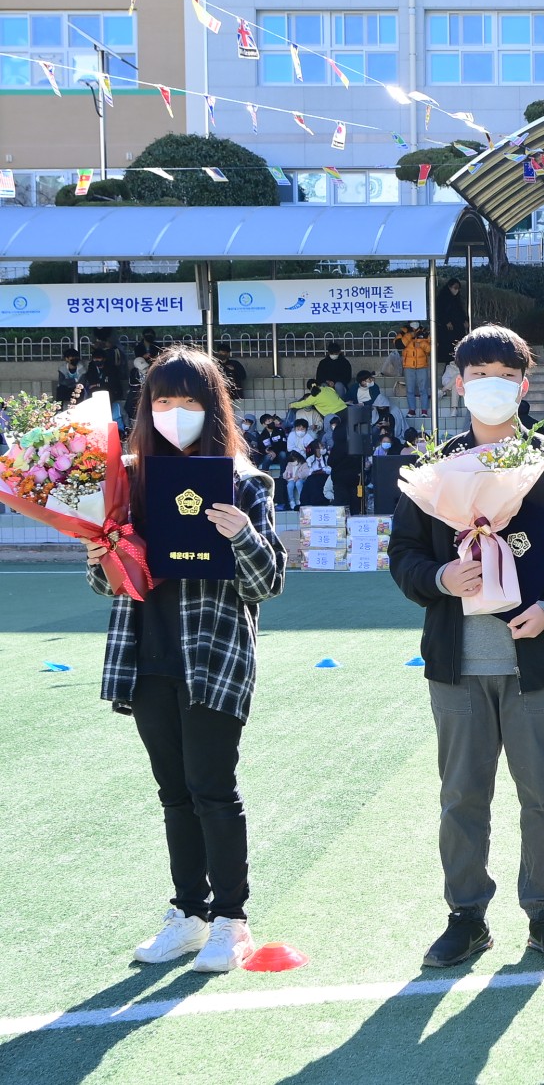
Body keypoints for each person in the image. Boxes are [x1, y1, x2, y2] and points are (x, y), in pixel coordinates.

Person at [388, 325, 544, 969]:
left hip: (538, 662)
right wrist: (440, 577)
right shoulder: (434, 470)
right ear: (459, 385)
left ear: (524, 385)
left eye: (506, 375)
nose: (492, 385)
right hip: (458, 665)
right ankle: (466, 917)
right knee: (462, 796)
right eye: (479, 374)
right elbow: (402, 554)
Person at [80, 346, 285, 972]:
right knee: (173, 793)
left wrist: (240, 533)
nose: (174, 412)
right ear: (146, 407)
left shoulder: (245, 483)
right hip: (145, 657)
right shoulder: (128, 483)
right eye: (162, 400)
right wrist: (100, 555)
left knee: (212, 790)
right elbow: (107, 583)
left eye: (189, 401)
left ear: (212, 409)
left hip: (213, 658)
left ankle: (231, 921)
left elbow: (268, 582)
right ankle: (188, 914)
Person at [289, 380, 348, 447]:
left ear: (310, 389)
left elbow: (304, 403)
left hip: (335, 415)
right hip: (346, 411)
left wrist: (291, 405)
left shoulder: (314, 395)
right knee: (346, 433)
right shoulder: (328, 389)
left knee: (334, 435)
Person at [397, 322, 432, 417]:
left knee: (423, 389)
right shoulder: (403, 331)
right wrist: (410, 335)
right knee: (410, 389)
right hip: (408, 366)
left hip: (422, 365)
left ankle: (424, 411)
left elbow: (431, 348)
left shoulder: (425, 332)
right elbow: (399, 345)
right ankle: (411, 410)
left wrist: (421, 344)